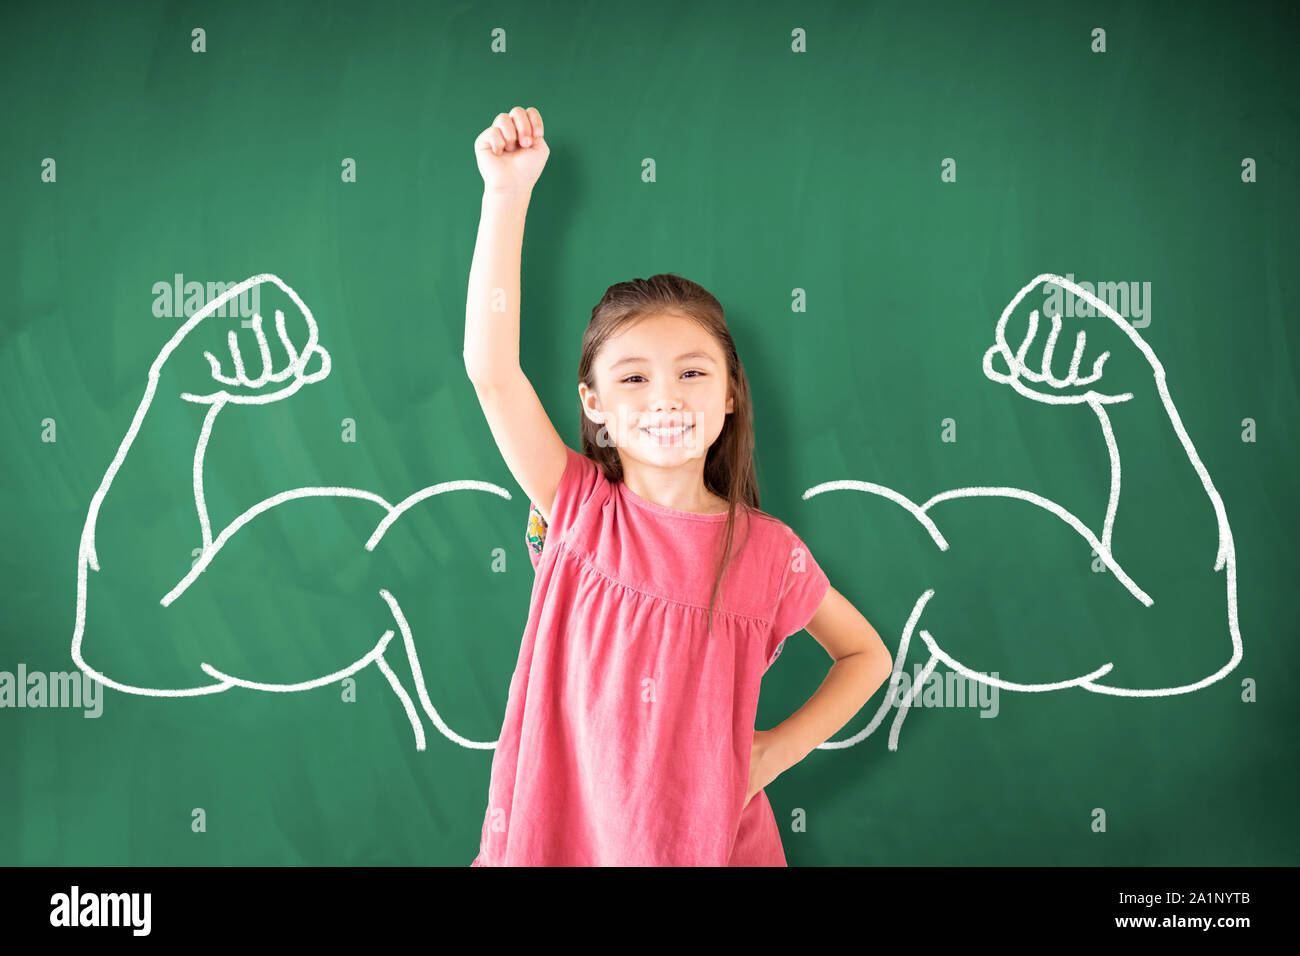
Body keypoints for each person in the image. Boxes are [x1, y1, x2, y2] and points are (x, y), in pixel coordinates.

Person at [464, 107, 893, 865]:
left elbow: (867, 657)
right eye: (633, 378)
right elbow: (493, 374)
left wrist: (771, 755)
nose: (665, 398)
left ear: (730, 391)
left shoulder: (767, 551)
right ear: (593, 405)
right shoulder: (579, 511)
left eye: (692, 373)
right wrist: (507, 194)